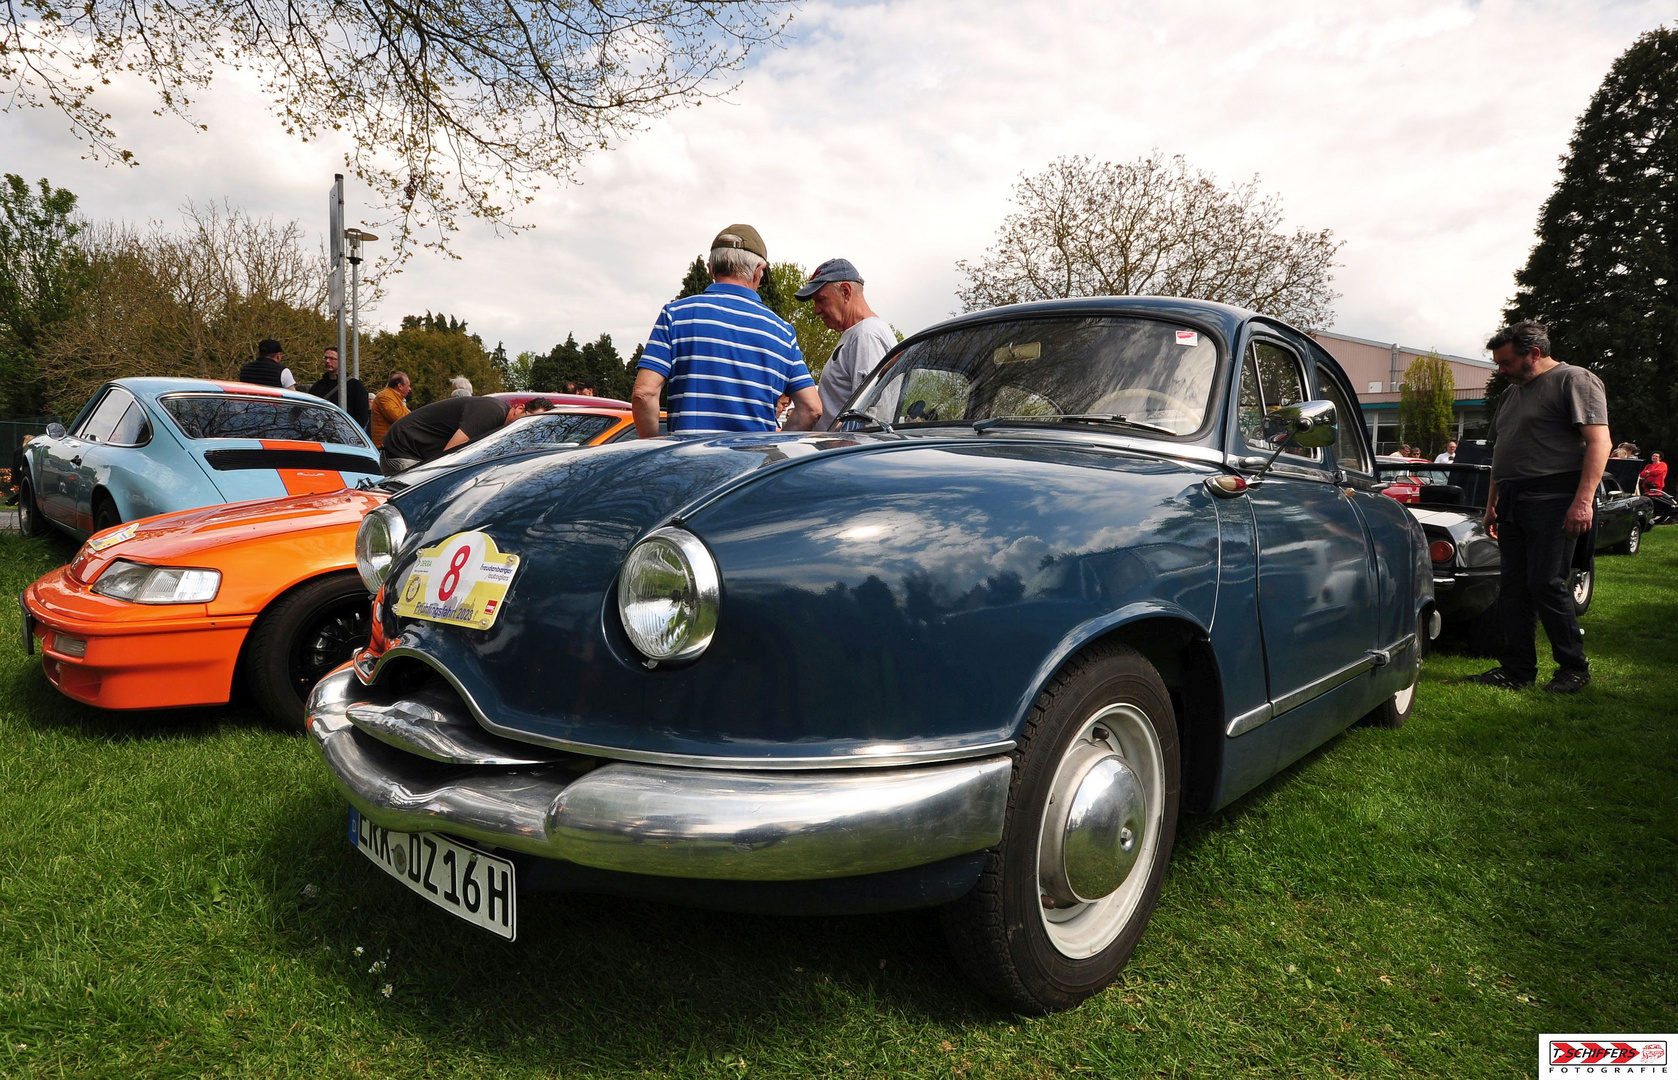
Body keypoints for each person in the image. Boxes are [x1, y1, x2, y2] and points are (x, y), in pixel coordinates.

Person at [1470, 320, 1609, 694]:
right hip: (1514, 500)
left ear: (1534, 353)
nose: (1501, 371)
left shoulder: (1575, 380)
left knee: (1546, 584)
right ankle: (1517, 669)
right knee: (1513, 588)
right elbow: (1503, 451)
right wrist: (1492, 504)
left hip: (1556, 499)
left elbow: (1600, 443)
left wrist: (1582, 502)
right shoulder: (1511, 395)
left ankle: (1573, 668)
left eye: (1506, 363)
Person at [632, 224, 821, 438]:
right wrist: (775, 446)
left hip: (686, 465)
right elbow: (811, 409)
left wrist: (655, 449)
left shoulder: (675, 315)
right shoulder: (783, 332)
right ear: (758, 271)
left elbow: (644, 393)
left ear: (711, 268)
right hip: (755, 468)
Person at [795, 258, 896, 425]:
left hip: (846, 449)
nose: (816, 311)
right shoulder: (859, 333)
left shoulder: (866, 335)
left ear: (846, 292)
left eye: (821, 299)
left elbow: (870, 418)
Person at [380, 395, 554, 474]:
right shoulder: (491, 412)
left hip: (414, 453)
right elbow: (451, 454)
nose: (527, 427)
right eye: (529, 419)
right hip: (403, 451)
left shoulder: (502, 424)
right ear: (520, 408)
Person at [306, 346, 371, 430]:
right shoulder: (318, 386)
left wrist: (351, 433)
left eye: (332, 358)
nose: (327, 361)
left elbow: (362, 415)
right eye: (325, 358)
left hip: (345, 433)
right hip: (320, 432)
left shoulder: (355, 386)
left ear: (341, 361)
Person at [369, 371, 412, 449]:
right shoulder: (385, 397)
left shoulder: (395, 398)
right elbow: (398, 417)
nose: (409, 389)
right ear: (400, 386)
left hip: (392, 444)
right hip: (386, 445)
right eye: (408, 386)